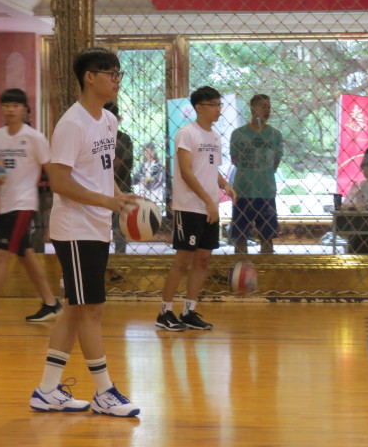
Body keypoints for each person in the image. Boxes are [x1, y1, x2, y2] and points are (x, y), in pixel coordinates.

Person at [29, 48, 139, 417]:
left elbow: (100, 173)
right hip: (75, 229)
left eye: (118, 74)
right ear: (89, 78)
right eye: (110, 73)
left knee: (77, 310)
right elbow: (59, 182)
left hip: (97, 226)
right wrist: (105, 201)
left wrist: (118, 197)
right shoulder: (71, 124)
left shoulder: (108, 120)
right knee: (91, 309)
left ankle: (47, 390)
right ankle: (105, 392)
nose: (116, 80)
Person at [0, 88, 63, 326]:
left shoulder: (35, 138)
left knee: (2, 256)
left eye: (16, 106)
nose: (11, 110)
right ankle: (51, 303)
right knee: (25, 254)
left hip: (23, 204)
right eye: (6, 105)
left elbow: (51, 171)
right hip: (4, 205)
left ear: (25, 110)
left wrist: (58, 204)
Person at [155, 86, 236, 332]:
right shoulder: (186, 133)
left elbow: (211, 169)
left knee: (203, 259)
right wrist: (208, 200)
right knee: (183, 260)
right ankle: (165, 312)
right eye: (213, 104)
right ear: (199, 107)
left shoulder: (215, 137)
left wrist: (225, 185)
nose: (218, 109)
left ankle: (188, 311)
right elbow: (186, 171)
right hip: (190, 206)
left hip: (209, 207)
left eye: (219, 104)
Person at [229, 93, 282, 254]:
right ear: (253, 109)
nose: (267, 110)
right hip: (243, 191)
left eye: (269, 107)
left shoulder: (274, 134)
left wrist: (263, 171)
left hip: (266, 191)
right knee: (240, 236)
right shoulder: (238, 134)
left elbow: (276, 160)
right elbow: (235, 159)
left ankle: (266, 266)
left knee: (267, 236)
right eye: (263, 107)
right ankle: (241, 266)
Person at [105, 100, 133, 284]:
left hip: (121, 188)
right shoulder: (93, 137)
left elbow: (126, 164)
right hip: (99, 191)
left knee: (119, 230)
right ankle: (103, 266)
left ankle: (118, 267)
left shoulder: (124, 139)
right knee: (100, 229)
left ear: (118, 119)